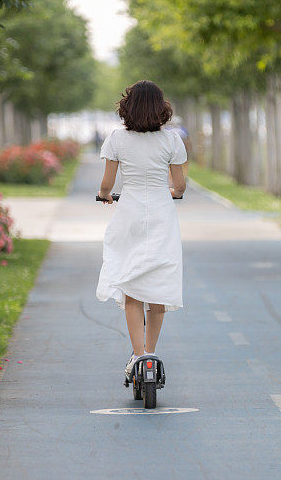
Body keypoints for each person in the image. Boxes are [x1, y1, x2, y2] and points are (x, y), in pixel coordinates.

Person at [95, 80, 187, 380]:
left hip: (130, 214)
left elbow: (107, 184)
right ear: (162, 107)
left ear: (127, 106)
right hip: (161, 214)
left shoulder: (117, 139)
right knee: (157, 285)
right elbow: (180, 185)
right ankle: (150, 351)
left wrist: (106, 195)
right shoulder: (171, 140)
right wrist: (172, 191)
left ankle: (137, 356)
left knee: (132, 286)